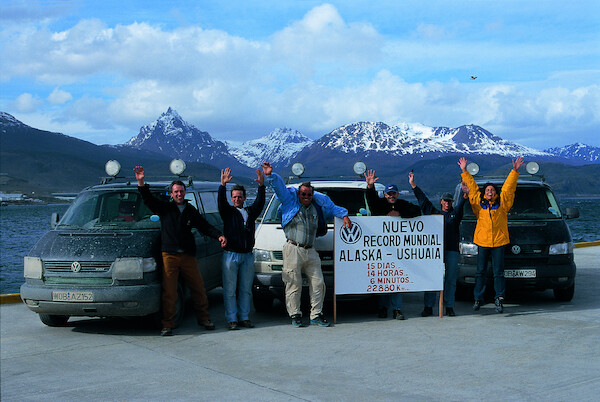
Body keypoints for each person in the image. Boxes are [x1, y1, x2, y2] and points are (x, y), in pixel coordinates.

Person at [134, 166, 227, 336]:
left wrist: (219, 235)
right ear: (171, 194)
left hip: (187, 256)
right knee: (170, 291)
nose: (179, 194)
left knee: (198, 287)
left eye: (181, 191)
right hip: (169, 255)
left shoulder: (191, 210)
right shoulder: (164, 209)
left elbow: (205, 226)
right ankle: (167, 324)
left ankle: (204, 318)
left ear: (185, 193)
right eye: (176, 192)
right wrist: (140, 181)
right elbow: (148, 200)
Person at [261, 162, 352, 328]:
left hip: (311, 250)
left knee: (318, 283)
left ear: (312, 195)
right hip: (292, 249)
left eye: (309, 195)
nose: (306, 197)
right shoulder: (290, 203)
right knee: (293, 284)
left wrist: (344, 215)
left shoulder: (317, 207)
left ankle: (316, 314)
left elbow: (332, 208)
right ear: (298, 194)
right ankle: (295, 315)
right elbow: (280, 189)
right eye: (303, 194)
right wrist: (270, 175)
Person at [458, 156, 524, 313]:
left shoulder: (503, 205)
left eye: (492, 190)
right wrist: (464, 171)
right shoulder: (478, 206)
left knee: (498, 272)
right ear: (484, 193)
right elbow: (473, 189)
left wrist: (514, 171)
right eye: (487, 190)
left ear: (495, 193)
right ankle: (478, 298)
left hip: (499, 243)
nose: (489, 192)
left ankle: (499, 298)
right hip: (482, 242)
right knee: (480, 271)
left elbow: (508, 189)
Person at [409, 171, 469, 317]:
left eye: (449, 201)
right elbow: (423, 201)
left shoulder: (455, 215)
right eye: (445, 201)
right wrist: (413, 185)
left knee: (450, 280)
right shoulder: (433, 213)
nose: (447, 203)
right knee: (432, 278)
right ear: (441, 202)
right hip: (435, 251)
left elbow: (461, 205)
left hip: (452, 250)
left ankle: (449, 306)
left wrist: (465, 194)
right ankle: (428, 306)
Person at [364, 169, 421, 320]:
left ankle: (397, 309)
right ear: (385, 195)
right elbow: (371, 201)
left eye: (394, 193)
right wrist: (370, 187)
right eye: (389, 194)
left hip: (397, 250)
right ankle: (383, 308)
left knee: (396, 279)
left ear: (397, 194)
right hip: (381, 249)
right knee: (383, 280)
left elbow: (417, 210)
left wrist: (400, 215)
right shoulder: (379, 205)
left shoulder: (402, 204)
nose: (391, 196)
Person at [218, 167, 266, 330]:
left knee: (246, 289)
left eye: (240, 196)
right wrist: (222, 186)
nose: (237, 199)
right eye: (234, 197)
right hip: (231, 255)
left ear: (245, 198)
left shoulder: (250, 212)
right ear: (231, 199)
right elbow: (221, 202)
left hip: (247, 256)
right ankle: (232, 319)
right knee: (230, 289)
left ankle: (244, 317)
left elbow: (260, 203)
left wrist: (261, 186)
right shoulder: (228, 212)